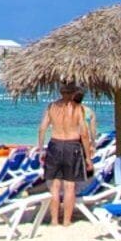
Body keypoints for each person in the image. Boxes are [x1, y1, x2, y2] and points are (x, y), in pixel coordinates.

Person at [38, 86, 99, 226]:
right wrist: (88, 157)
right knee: (69, 186)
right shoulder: (78, 108)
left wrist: (41, 149)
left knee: (54, 185)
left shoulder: (51, 107)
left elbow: (42, 129)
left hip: (55, 144)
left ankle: (54, 220)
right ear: (73, 94)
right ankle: (66, 221)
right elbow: (84, 133)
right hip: (72, 146)